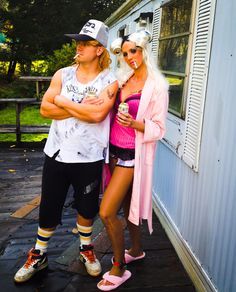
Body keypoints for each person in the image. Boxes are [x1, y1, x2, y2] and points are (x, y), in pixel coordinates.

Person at [14, 19, 118, 283]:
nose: (78, 46)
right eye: (78, 42)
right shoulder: (63, 74)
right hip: (57, 152)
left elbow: (97, 116)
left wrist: (61, 100)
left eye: (86, 43)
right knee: (49, 205)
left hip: (90, 155)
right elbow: (44, 110)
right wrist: (78, 104)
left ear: (99, 50)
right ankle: (39, 254)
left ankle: (86, 249)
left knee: (86, 207)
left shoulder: (110, 81)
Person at [96, 30, 169, 290]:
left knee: (106, 212)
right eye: (125, 53)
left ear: (143, 50)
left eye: (133, 51)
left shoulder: (157, 86)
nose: (129, 57)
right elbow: (103, 103)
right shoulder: (122, 80)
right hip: (112, 151)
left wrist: (137, 124)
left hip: (131, 155)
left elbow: (160, 128)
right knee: (128, 208)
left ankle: (119, 266)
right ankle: (136, 250)